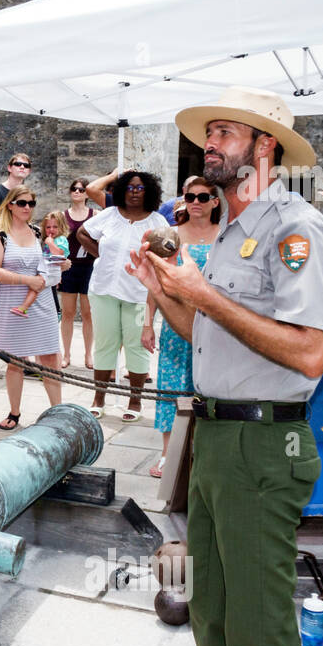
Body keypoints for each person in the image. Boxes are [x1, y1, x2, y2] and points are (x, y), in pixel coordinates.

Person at [131, 85, 323, 646]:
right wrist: (166, 293)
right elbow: (207, 330)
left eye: (225, 132)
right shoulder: (227, 232)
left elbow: (312, 352)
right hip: (214, 436)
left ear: (264, 146)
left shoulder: (295, 228)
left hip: (262, 445)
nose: (210, 144)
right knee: (213, 610)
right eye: (209, 132)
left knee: (260, 621)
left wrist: (203, 294)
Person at [142, 178, 220, 477]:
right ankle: (167, 453)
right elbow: (154, 282)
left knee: (208, 387)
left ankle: (204, 450)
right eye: (191, 196)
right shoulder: (170, 237)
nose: (196, 201)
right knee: (173, 386)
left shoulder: (225, 236)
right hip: (175, 323)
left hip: (215, 324)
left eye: (204, 196)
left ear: (215, 201)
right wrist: (147, 324)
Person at [77, 171, 168, 421]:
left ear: (149, 191)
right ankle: (99, 399)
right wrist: (101, 255)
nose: (135, 192)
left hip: (140, 295)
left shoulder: (157, 222)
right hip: (103, 290)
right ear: (121, 191)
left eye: (140, 188)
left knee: (137, 347)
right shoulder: (109, 215)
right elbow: (82, 233)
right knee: (105, 345)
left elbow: (166, 256)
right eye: (129, 187)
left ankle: (135, 401)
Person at [0, 186, 64, 430]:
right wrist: (25, 280)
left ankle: (57, 413)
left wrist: (61, 264)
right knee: (15, 361)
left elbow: (47, 263)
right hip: (12, 302)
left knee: (50, 359)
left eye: (31, 203)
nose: (27, 208)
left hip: (42, 302)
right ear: (10, 205)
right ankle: (15, 412)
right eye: (22, 203)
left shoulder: (39, 232)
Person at [60, 179, 97, 369]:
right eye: (73, 188)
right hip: (69, 266)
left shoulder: (95, 215)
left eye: (81, 189)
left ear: (87, 193)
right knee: (67, 312)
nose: (77, 192)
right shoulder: (63, 216)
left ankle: (88, 354)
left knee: (87, 313)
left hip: (89, 266)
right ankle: (66, 354)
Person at [12, 209, 68, 317]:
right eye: (48, 227)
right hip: (49, 271)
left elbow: (60, 257)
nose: (51, 229)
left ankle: (24, 308)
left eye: (55, 227)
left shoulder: (61, 240)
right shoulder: (49, 239)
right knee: (35, 287)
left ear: (62, 228)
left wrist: (51, 244)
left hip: (50, 272)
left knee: (35, 287)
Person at [0, 152, 30, 238]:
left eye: (26, 165)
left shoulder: (27, 195)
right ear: (9, 168)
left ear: (29, 171)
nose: (22, 167)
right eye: (18, 164)